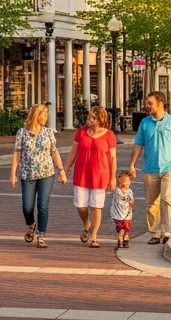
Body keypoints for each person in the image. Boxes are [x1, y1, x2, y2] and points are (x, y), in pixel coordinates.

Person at [127, 91, 171, 245]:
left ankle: (167, 231)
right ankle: (155, 232)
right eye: (147, 103)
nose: (147, 106)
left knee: (167, 199)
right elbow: (138, 144)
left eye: (150, 103)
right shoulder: (145, 123)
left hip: (169, 167)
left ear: (160, 103)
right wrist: (132, 164)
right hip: (150, 168)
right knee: (151, 203)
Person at [10, 103, 66, 248]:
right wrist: (13, 173)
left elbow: (54, 151)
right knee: (27, 206)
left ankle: (41, 234)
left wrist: (61, 170)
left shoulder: (48, 132)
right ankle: (31, 224)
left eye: (47, 114)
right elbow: (17, 153)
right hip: (27, 174)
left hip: (46, 173)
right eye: (44, 114)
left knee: (43, 205)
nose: (46, 117)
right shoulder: (21, 133)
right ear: (36, 115)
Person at [64, 105, 117, 247]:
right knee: (81, 206)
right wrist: (65, 169)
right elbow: (73, 152)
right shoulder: (81, 132)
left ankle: (93, 236)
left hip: (100, 175)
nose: (89, 119)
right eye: (89, 116)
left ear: (100, 119)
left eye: (93, 117)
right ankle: (86, 223)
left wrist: (112, 178)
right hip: (82, 174)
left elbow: (112, 158)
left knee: (96, 206)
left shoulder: (109, 135)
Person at [110, 170, 135, 248]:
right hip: (118, 213)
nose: (126, 184)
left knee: (126, 226)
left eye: (128, 182)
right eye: (124, 182)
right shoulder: (117, 191)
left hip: (127, 213)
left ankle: (125, 237)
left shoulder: (129, 191)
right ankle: (120, 238)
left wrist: (131, 203)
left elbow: (132, 200)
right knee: (120, 227)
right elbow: (112, 186)